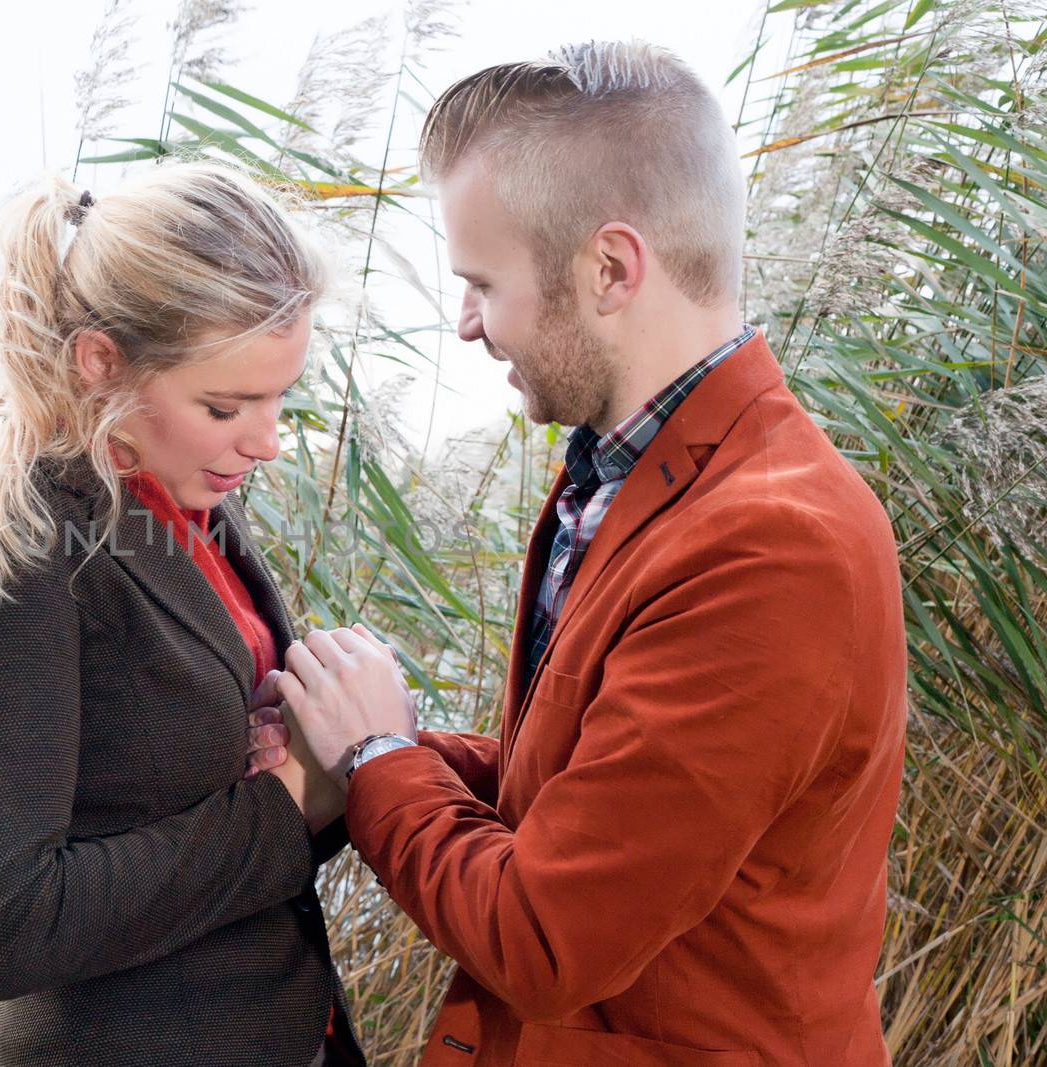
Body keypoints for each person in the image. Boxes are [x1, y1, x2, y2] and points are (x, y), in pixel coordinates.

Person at [257, 42, 908, 1066]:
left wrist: (377, 762)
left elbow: (547, 935)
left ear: (608, 268)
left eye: (482, 283)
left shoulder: (774, 546)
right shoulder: (627, 479)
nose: (467, 324)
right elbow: (580, 792)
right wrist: (381, 738)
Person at [0, 160, 366, 1066]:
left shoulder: (186, 502)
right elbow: (6, 925)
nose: (267, 441)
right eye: (225, 404)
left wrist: (355, 743)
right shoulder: (11, 541)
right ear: (102, 362)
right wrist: (294, 801)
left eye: (280, 397)